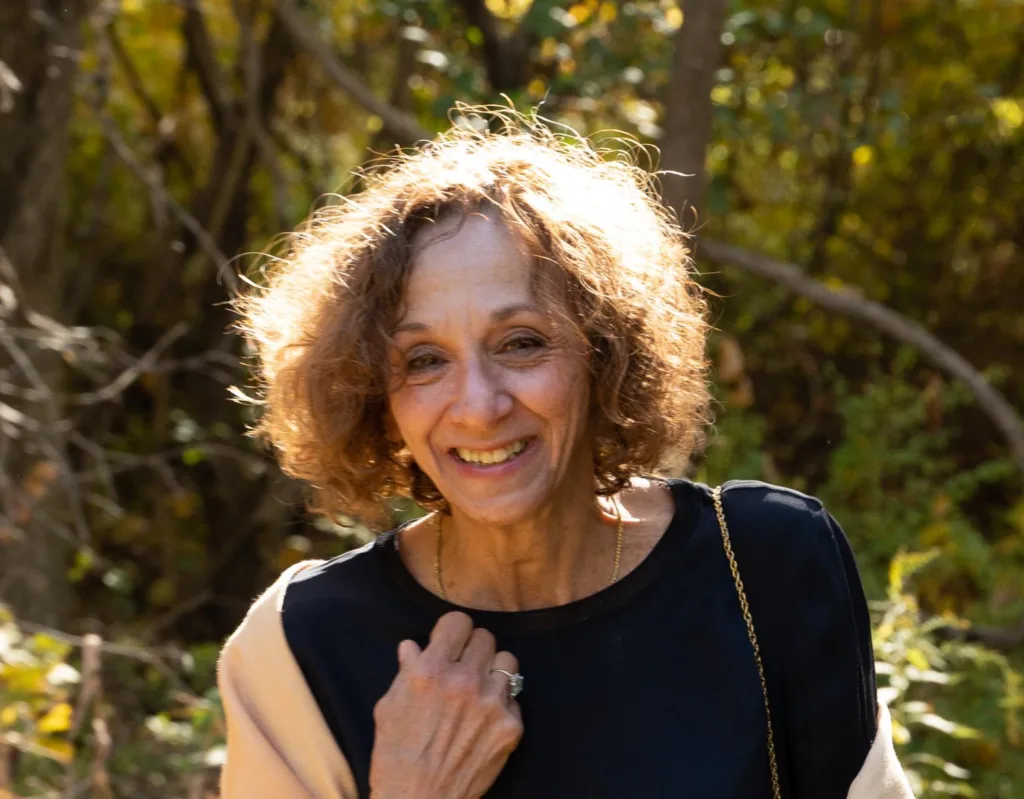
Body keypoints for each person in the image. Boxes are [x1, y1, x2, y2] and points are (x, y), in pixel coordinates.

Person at [217, 111, 914, 798]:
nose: (478, 405)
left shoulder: (766, 566)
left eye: (521, 342)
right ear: (374, 393)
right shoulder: (298, 646)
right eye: (424, 359)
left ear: (604, 351)